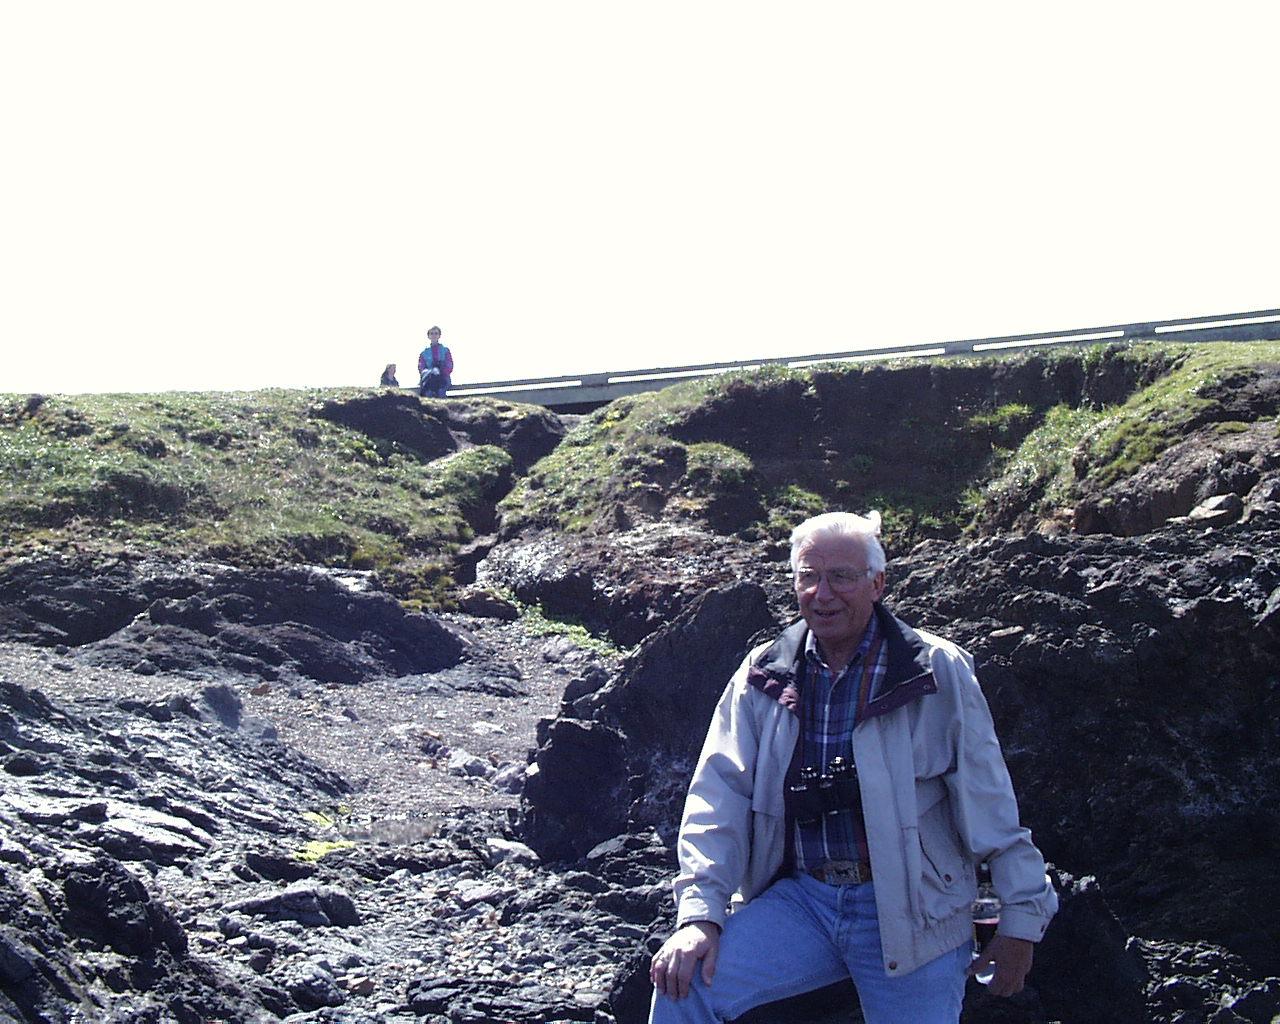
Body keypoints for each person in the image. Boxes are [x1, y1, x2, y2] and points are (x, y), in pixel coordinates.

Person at [649, 510, 1057, 1024]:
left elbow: (989, 800)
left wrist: (1021, 919)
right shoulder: (763, 674)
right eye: (808, 577)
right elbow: (718, 797)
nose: (823, 594)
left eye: (841, 576)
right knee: (684, 985)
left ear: (877, 583)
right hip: (804, 902)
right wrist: (700, 916)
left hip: (913, 911)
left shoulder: (933, 669)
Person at [418, 326, 453, 398]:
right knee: (428, 394)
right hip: (429, 380)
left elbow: (449, 365)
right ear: (428, 336)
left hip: (443, 379)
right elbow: (421, 368)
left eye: (436, 333)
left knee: (441, 392)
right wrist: (431, 372)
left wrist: (440, 372)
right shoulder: (424, 353)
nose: (434, 335)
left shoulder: (445, 351)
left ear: (439, 335)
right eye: (432, 333)